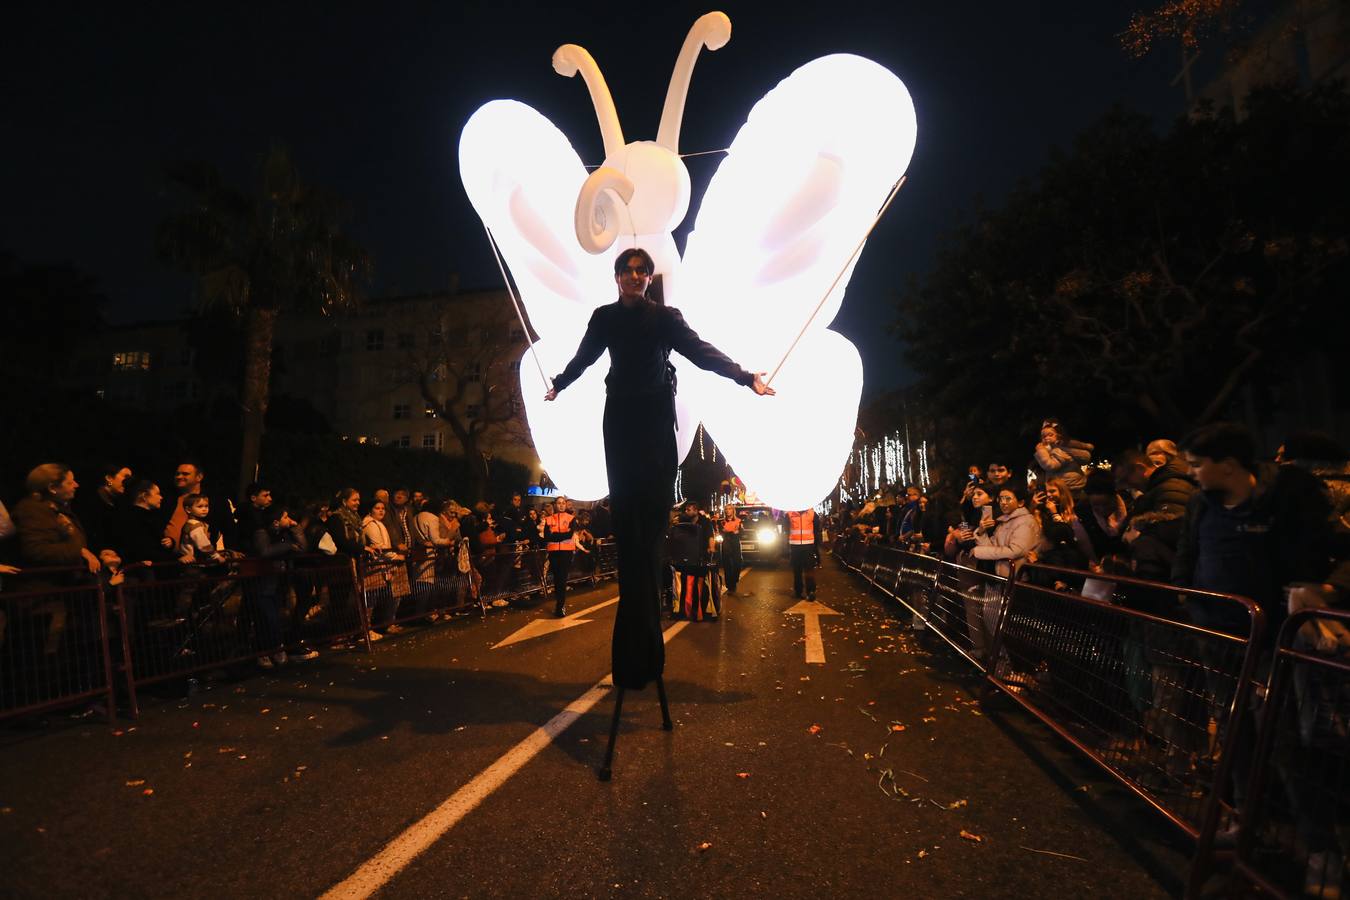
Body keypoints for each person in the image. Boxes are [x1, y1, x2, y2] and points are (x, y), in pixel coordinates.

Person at [544, 247, 774, 689]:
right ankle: (634, 636)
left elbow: (701, 352)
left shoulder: (666, 318)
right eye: (628, 270)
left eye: (642, 271)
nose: (635, 276)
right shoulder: (604, 318)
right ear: (616, 277)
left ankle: (647, 635)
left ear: (649, 278)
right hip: (619, 421)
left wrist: (745, 377)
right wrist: (559, 383)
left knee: (650, 525)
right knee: (628, 522)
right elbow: (584, 358)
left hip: (654, 421)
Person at [1034, 419, 1094, 493]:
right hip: (1070, 485)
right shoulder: (1059, 449)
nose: (1046, 438)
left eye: (1050, 435)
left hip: (1066, 487)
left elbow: (1050, 466)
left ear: (1059, 436)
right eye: (1043, 436)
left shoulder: (1059, 451)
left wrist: (1041, 451)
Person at [541, 496, 576, 616]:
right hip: (554, 553)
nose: (561, 505)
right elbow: (547, 537)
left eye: (563, 503)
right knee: (557, 579)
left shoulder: (571, 518)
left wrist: (555, 534)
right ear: (555, 505)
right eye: (559, 503)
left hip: (566, 553)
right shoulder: (548, 519)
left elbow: (569, 535)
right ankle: (559, 603)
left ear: (565, 505)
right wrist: (562, 534)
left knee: (562, 579)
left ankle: (560, 606)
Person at [786, 507, 822, 600]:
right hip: (795, 546)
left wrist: (815, 546)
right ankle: (798, 591)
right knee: (797, 570)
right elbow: (786, 529)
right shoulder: (790, 513)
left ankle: (810, 591)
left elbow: (816, 529)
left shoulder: (812, 513)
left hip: (808, 546)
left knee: (809, 569)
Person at [720, 504, 744, 594]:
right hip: (726, 544)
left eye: (729, 509)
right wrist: (731, 532)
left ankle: (734, 580)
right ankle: (730, 586)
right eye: (726, 509)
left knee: (737, 564)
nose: (727, 511)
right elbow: (720, 532)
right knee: (727, 566)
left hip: (735, 544)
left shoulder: (738, 521)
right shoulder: (722, 521)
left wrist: (737, 532)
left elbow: (741, 532)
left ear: (733, 510)